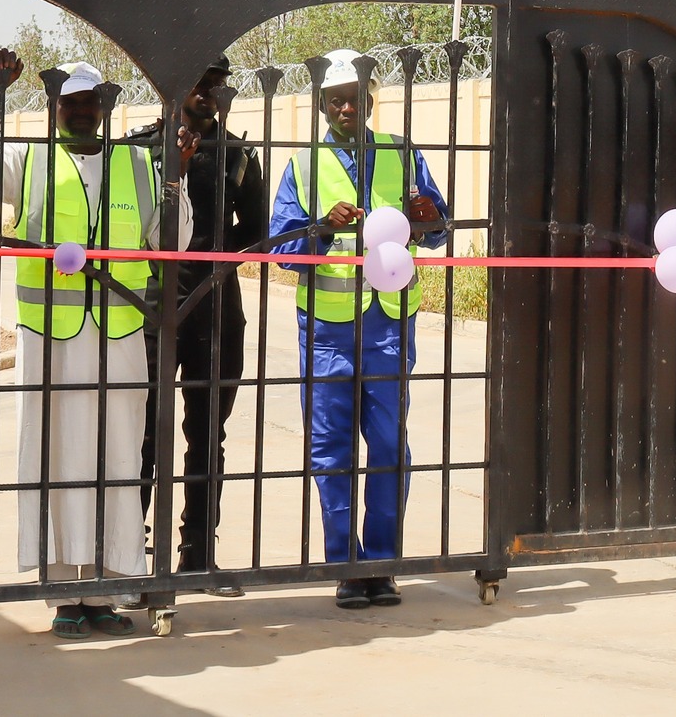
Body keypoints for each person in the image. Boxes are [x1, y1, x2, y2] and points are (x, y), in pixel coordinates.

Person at [0, 51, 195, 638]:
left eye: (93, 101)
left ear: (108, 106)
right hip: (51, 341)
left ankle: (107, 589)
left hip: (121, 336)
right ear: (57, 107)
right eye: (72, 102)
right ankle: (65, 592)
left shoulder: (139, 165)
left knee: (116, 459)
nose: (83, 111)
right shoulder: (28, 161)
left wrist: (178, 176)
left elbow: (175, 239)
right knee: (57, 459)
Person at [268, 49, 448, 610]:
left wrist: (428, 218)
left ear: (370, 100)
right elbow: (283, 251)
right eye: (336, 100)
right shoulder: (302, 166)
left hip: (390, 322)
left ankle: (383, 562)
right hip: (327, 326)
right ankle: (346, 564)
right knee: (331, 449)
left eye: (355, 98)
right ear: (322, 105)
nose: (346, 107)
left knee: (390, 446)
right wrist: (319, 229)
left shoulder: (402, 152)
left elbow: (439, 228)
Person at [131, 57, 265, 596]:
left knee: (208, 433)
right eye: (200, 80)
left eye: (217, 82)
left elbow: (256, 230)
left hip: (216, 306)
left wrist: (213, 258)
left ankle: (197, 555)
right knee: (141, 435)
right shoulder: (141, 147)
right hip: (150, 303)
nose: (209, 90)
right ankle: (127, 557)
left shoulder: (237, 155)